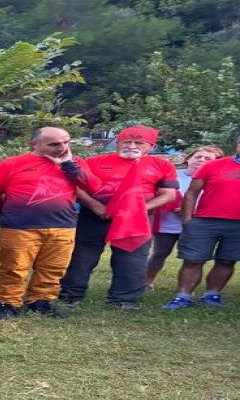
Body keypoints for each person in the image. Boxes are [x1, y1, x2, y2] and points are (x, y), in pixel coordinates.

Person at [0, 127, 103, 320]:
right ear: (35, 144)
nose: (62, 147)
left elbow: (94, 187)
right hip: (19, 227)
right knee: (14, 267)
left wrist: (69, 166)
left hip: (63, 226)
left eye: (66, 142)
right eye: (55, 144)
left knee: (53, 268)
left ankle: (40, 302)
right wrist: (5, 213)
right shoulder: (11, 164)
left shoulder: (75, 164)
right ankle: (8, 303)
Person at [59, 126, 178, 309]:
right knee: (84, 255)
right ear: (118, 143)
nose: (131, 146)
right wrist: (95, 205)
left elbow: (168, 194)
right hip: (96, 215)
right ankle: (70, 295)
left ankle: (125, 299)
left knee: (133, 257)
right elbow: (77, 187)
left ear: (151, 146)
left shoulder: (162, 165)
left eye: (138, 142)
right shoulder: (93, 161)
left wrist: (140, 208)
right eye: (126, 142)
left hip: (136, 219)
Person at [162, 136, 240, 310]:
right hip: (205, 221)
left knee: (227, 261)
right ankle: (183, 297)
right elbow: (191, 193)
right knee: (193, 259)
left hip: (238, 225)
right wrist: (188, 220)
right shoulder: (213, 165)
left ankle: (212, 295)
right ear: (237, 145)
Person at [146, 145, 223, 287]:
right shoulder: (173, 175)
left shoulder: (217, 180)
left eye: (208, 158)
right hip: (168, 223)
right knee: (160, 253)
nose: (201, 160)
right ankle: (146, 282)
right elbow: (159, 194)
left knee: (192, 258)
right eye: (198, 157)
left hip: (198, 224)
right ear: (188, 159)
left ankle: (186, 287)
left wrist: (191, 212)